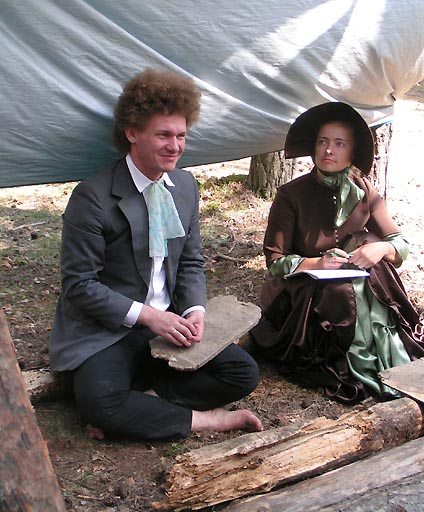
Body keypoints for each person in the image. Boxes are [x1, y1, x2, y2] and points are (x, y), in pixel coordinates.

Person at [49, 68, 263, 440]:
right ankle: (205, 419)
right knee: (99, 401)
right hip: (110, 330)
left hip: (169, 326)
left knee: (243, 373)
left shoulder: (185, 185)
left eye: (181, 135)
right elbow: (79, 285)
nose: (175, 146)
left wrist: (194, 310)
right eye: (163, 135)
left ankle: (148, 402)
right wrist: (150, 316)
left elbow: (191, 261)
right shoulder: (92, 197)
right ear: (132, 133)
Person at [251, 101, 424, 403]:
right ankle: (356, 363)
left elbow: (400, 244)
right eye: (322, 142)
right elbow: (275, 262)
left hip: (359, 289)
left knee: (373, 260)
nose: (328, 150)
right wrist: (317, 262)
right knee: (342, 289)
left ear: (352, 153)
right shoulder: (291, 194)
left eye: (339, 143)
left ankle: (387, 357)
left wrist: (381, 248)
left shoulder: (364, 191)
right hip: (305, 293)